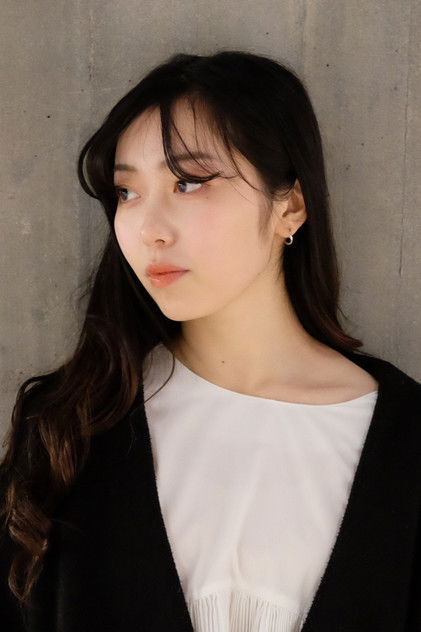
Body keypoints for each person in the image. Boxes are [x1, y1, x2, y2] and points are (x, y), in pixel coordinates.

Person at [1, 50, 420, 632]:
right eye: (126, 192)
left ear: (291, 206)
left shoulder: (406, 442)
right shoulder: (69, 424)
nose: (148, 229)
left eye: (189, 182)